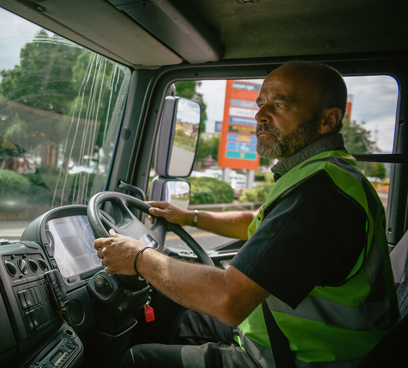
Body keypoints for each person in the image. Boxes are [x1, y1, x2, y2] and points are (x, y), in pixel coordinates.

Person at [94, 61, 399, 368]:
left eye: (279, 105)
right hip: (286, 337)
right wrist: (190, 217)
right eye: (260, 104)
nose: (260, 116)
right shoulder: (325, 172)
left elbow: (228, 300)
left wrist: (138, 258)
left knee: (138, 360)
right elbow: (262, 224)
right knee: (190, 322)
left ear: (327, 120)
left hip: (306, 358)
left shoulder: (319, 194)